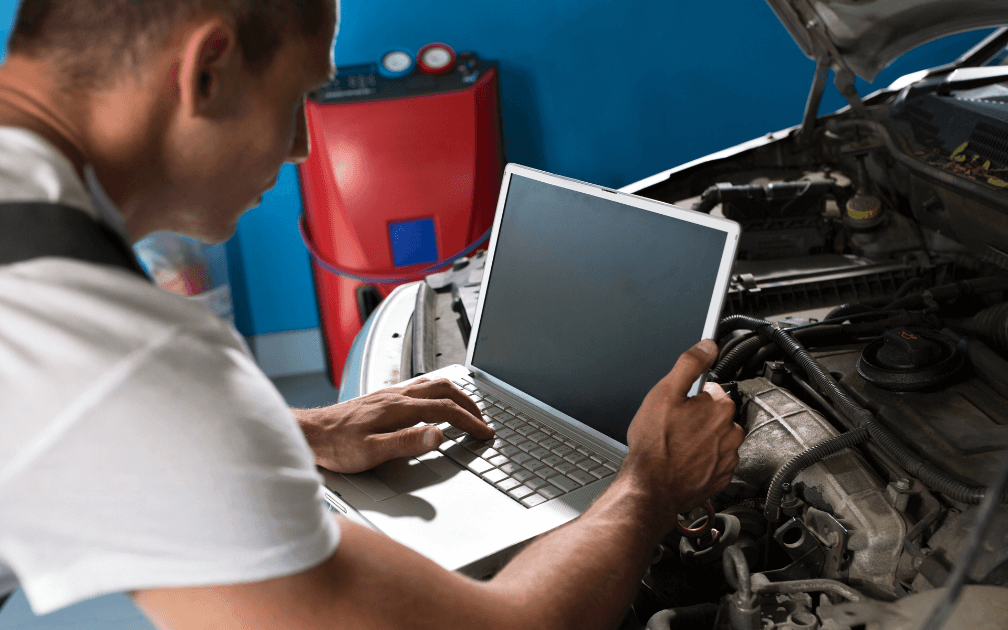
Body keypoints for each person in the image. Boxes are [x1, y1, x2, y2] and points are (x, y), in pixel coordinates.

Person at [0, 0, 744, 628]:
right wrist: (650, 482)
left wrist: (295, 430)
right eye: (297, 100)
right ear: (208, 69)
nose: (298, 149)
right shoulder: (114, 352)